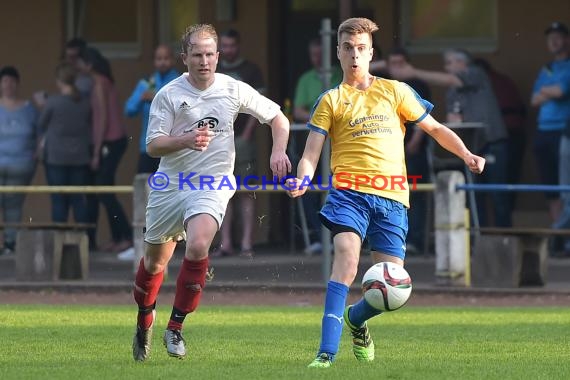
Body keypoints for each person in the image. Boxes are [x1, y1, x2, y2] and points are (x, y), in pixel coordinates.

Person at [286, 17, 485, 368]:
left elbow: (436, 129)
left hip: (392, 197)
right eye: (348, 48)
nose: (354, 55)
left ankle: (356, 319)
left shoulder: (396, 91)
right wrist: (303, 178)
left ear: (371, 52)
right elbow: (310, 155)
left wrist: (466, 153)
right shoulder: (331, 99)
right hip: (349, 193)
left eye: (361, 48)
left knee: (395, 286)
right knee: (346, 258)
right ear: (338, 52)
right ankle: (325, 353)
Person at [131, 23, 291, 361]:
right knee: (154, 264)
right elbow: (152, 146)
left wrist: (278, 151)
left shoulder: (233, 89)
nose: (204, 61)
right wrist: (185, 140)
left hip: (212, 183)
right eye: (197, 54)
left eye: (209, 54)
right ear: (184, 57)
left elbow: (279, 118)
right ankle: (144, 320)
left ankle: (175, 328)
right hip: (170, 185)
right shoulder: (169, 95)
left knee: (200, 243)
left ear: (217, 57)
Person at [390, 48, 510, 227]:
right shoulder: (452, 91)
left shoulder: (476, 72)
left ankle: (504, 240)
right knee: (475, 198)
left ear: (462, 62)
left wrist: (413, 72)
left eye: (449, 63)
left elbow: (452, 79)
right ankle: (480, 243)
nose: (446, 68)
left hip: (493, 143)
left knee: (499, 196)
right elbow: (454, 116)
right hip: (473, 147)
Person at [213, 28, 266, 257]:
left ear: (238, 45)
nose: (228, 50)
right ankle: (225, 244)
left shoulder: (251, 70)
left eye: (231, 45)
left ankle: (246, 244)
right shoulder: (213, 70)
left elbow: (260, 105)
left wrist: (247, 134)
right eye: (224, 46)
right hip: (217, 141)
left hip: (244, 140)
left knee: (246, 191)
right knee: (222, 191)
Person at [78, 47, 132, 252]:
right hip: (111, 142)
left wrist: (96, 151)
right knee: (105, 190)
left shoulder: (99, 83)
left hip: (111, 142)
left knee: (105, 191)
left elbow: (102, 119)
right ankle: (118, 237)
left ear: (88, 64)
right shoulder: (105, 82)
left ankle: (125, 235)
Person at [292, 37, 342, 255]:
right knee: (309, 189)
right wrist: (322, 119)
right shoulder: (306, 78)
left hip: (340, 146)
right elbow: (297, 111)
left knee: (338, 188)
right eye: (313, 55)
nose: (317, 59)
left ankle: (337, 235)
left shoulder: (341, 73)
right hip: (315, 142)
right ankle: (315, 235)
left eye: (320, 54)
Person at [386, 46, 432, 255]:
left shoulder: (417, 84)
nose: (397, 68)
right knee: (387, 195)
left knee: (416, 194)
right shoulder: (382, 84)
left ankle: (415, 240)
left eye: (401, 63)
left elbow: (424, 117)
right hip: (387, 153)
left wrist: (415, 140)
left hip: (412, 151)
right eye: (393, 63)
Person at [37, 62, 91, 224]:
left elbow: (41, 124)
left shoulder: (53, 102)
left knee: (58, 199)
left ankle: (59, 244)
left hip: (56, 157)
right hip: (80, 156)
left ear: (59, 81)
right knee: (78, 199)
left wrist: (42, 105)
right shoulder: (85, 102)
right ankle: (83, 240)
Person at [535, 22, 570, 255]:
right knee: (551, 188)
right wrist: (551, 91)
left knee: (564, 184)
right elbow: (534, 100)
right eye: (551, 37)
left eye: (559, 36)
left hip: (563, 132)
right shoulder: (546, 68)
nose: (554, 41)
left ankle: (565, 237)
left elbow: (560, 92)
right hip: (543, 130)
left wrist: (549, 91)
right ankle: (559, 237)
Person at [474, 58, 526, 211]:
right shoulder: (502, 80)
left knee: (498, 188)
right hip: (506, 136)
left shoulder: (489, 83)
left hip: (503, 137)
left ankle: (500, 229)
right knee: (502, 186)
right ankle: (501, 228)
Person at [0, 66, 38, 255]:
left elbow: (39, 133)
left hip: (21, 164)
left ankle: (10, 242)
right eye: (5, 81)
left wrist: (37, 152)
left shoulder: (28, 109)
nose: (9, 85)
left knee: (13, 204)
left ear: (18, 84)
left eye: (12, 81)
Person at [125, 44, 179, 175]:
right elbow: (129, 110)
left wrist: (156, 98)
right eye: (159, 58)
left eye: (166, 58)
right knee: (144, 187)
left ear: (173, 60)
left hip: (172, 146)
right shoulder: (147, 83)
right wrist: (141, 98)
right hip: (148, 146)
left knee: (171, 189)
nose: (162, 62)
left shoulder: (180, 82)